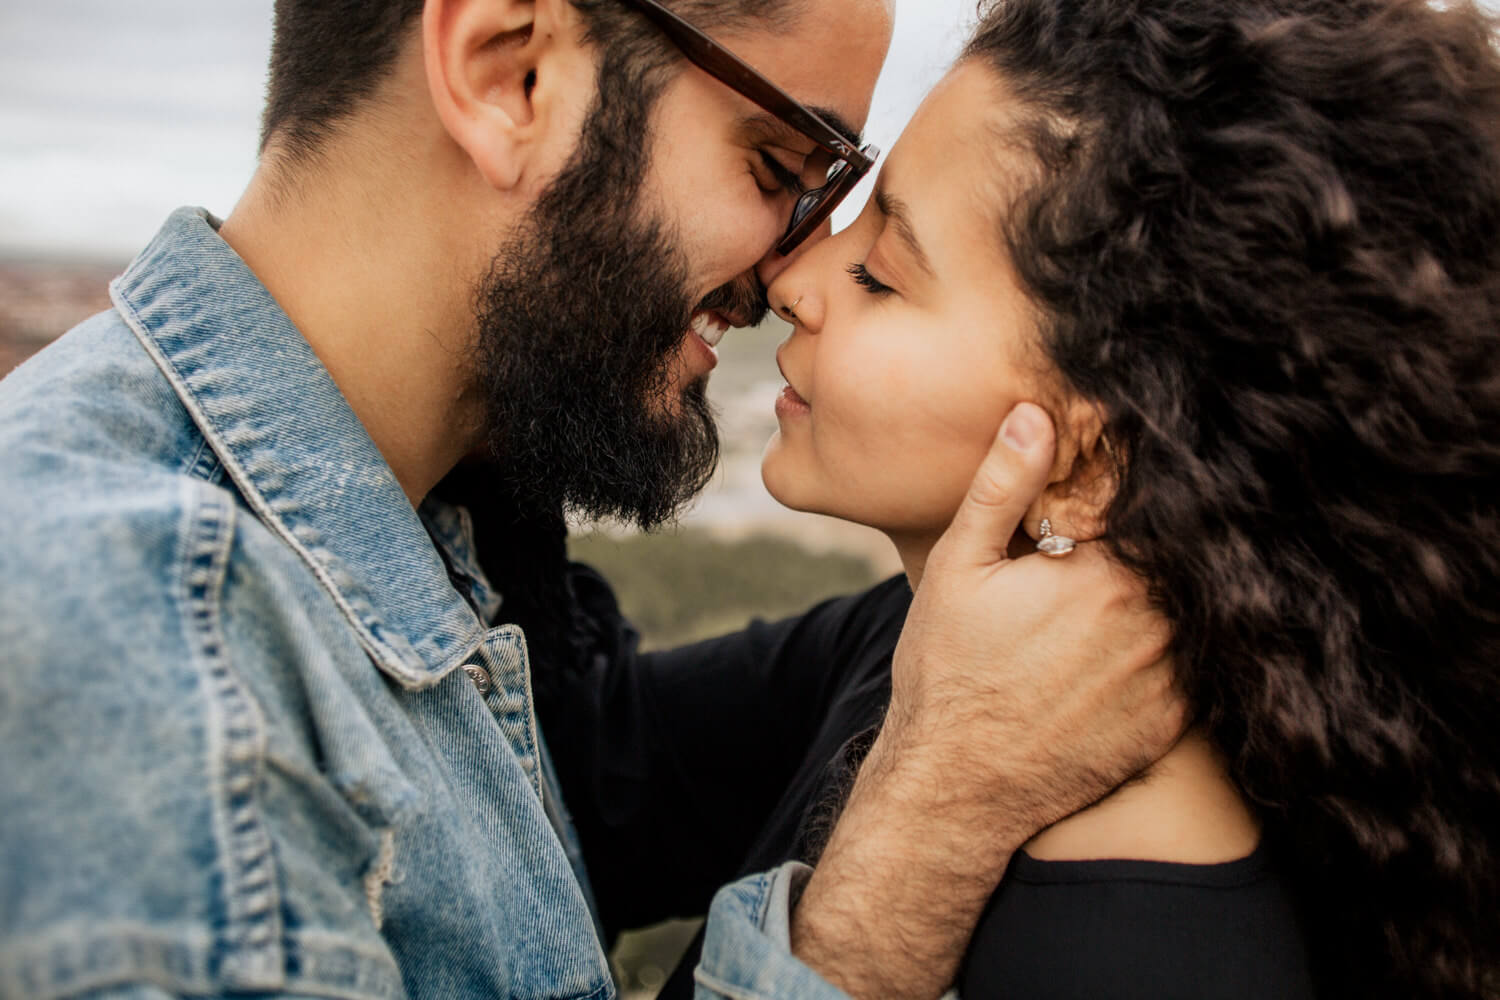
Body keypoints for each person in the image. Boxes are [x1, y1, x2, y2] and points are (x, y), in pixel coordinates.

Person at [0, 1, 1185, 999]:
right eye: (780, 166)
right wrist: (905, 867)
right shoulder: (144, 665)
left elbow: (635, 768)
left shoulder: (437, 526)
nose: (787, 271)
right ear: (509, 74)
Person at [664, 0, 1492, 995]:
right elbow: (594, 753)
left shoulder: (1134, 956)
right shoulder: (910, 646)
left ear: (1091, 463)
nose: (795, 274)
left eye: (883, 275)